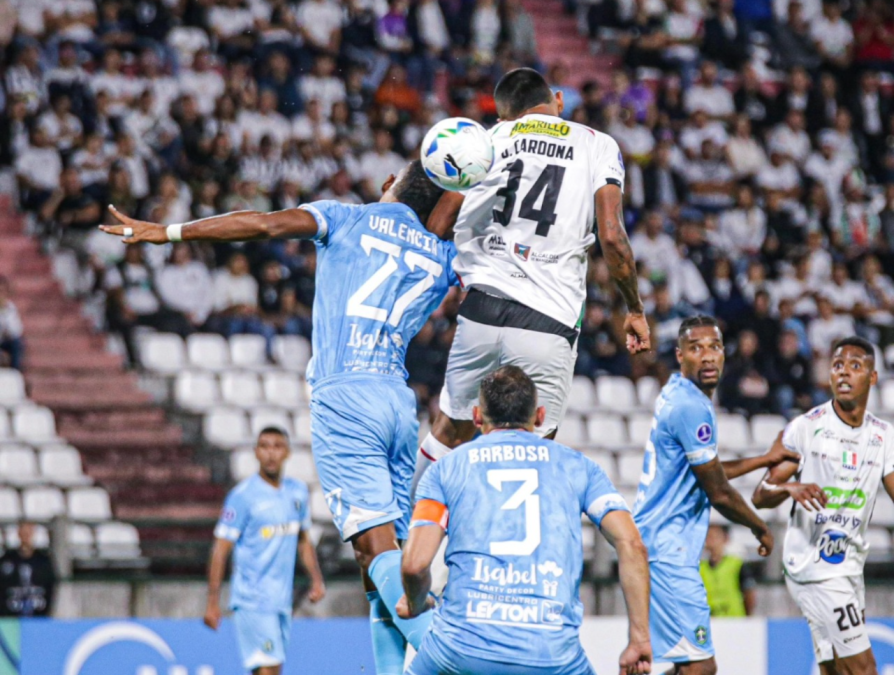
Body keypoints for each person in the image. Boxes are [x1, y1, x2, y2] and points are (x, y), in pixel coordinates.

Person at [101, 160, 457, 675]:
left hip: (346, 397)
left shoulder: (346, 217)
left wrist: (168, 232)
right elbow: (452, 220)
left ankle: (447, 656)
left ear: (387, 186)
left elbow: (263, 223)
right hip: (399, 404)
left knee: (376, 549)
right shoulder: (442, 256)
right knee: (384, 559)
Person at [414, 67, 650, 487]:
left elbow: (440, 223)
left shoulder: (489, 140)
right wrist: (633, 307)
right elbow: (611, 236)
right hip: (548, 319)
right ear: (558, 100)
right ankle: (515, 550)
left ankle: (407, 531)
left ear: (504, 114)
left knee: (448, 433)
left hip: (482, 309)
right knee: (535, 452)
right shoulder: (598, 144)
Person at [397, 366, 652, 675]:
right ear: (540, 416)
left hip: (461, 650)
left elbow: (413, 565)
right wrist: (638, 639)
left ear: (477, 417)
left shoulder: (446, 469)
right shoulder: (579, 467)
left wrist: (415, 601)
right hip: (552, 657)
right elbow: (632, 544)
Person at [634, 315, 796, 674]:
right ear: (680, 356)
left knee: (686, 666)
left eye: (714, 347)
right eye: (696, 348)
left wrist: (763, 459)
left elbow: (707, 471)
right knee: (701, 668)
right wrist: (761, 528)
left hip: (660, 543)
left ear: (724, 353)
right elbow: (719, 492)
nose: (707, 356)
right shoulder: (692, 407)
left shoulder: (679, 393)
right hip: (668, 549)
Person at [753, 336, 894, 675]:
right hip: (815, 567)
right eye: (837, 366)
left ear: (872, 378)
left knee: (833, 669)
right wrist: (790, 487)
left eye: (855, 367)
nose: (844, 373)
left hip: (848, 565)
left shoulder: (883, 435)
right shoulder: (806, 428)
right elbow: (761, 494)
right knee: (863, 668)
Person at [204, 427, 325, 675]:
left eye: (277, 446)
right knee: (268, 669)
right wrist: (213, 602)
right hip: (253, 599)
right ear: (256, 452)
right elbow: (220, 549)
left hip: (281, 600)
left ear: (288, 452)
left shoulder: (298, 492)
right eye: (264, 446)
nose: (271, 453)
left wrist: (316, 579)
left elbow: (303, 540)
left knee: (271, 667)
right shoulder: (242, 497)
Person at [0, 522, 56, 617]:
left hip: (38, 616)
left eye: (28, 533)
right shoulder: (7, 559)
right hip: (10, 618)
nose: (26, 536)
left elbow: (50, 586)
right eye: (23, 533)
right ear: (18, 534)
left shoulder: (43, 560)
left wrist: (46, 612)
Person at [699, 524, 756, 617]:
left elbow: (749, 593)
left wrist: (747, 617)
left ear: (725, 539)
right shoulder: (700, 567)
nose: (711, 541)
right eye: (708, 537)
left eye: (715, 536)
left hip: (734, 619)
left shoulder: (737, 564)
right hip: (710, 619)